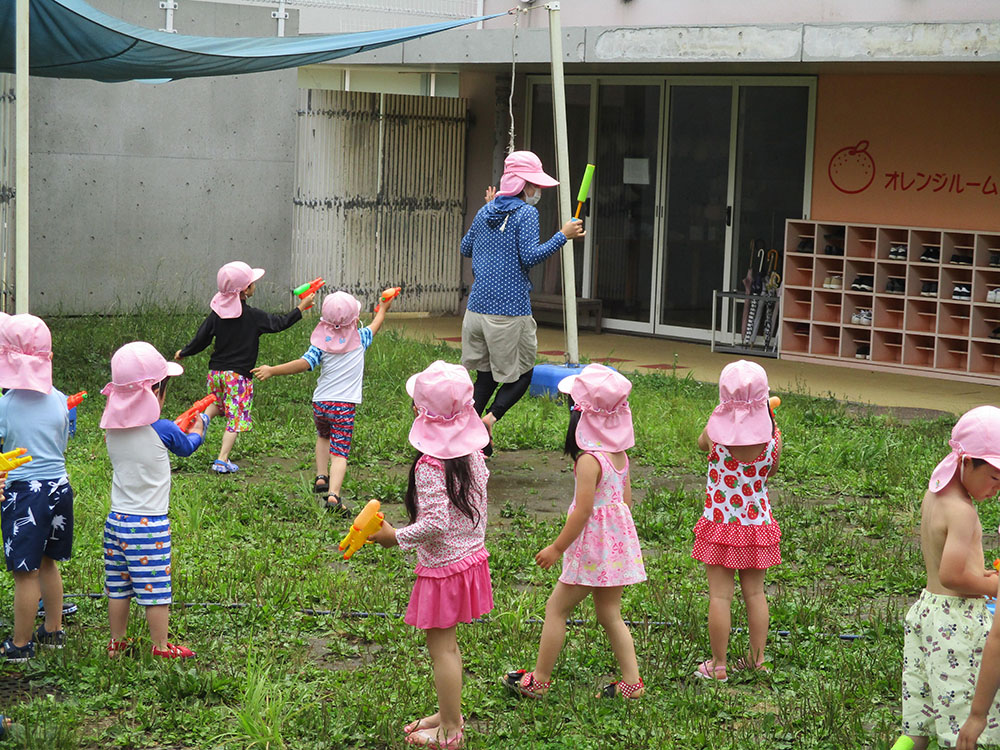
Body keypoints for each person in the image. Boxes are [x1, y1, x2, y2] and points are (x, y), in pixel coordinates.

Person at [502, 363, 646, 699]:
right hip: (615, 549)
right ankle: (632, 682)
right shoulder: (619, 455)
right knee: (610, 614)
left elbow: (583, 512)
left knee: (556, 609)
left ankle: (539, 680)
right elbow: (623, 502)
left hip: (591, 551)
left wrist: (556, 548)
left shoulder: (588, 461)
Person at [369, 360, 493, 748]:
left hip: (444, 568)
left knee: (442, 651)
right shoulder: (473, 451)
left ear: (421, 413)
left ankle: (451, 730)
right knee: (449, 646)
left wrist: (396, 536)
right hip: (470, 558)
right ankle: (448, 711)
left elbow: (435, 522)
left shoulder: (430, 464)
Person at [460, 150, 586, 455]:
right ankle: (488, 421)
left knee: (486, 377)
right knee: (524, 373)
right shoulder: (526, 214)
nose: (538, 191)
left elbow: (466, 248)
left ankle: (467, 440)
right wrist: (563, 235)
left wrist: (489, 213)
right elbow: (530, 257)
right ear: (521, 185)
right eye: (534, 184)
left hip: (475, 311)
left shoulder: (486, 210)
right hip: (508, 312)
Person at [101, 341, 216, 658]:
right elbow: (187, 445)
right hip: (148, 526)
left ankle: (117, 642)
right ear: (154, 393)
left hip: (116, 522)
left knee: (118, 587)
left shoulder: (111, 426)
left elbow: (145, 438)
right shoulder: (164, 428)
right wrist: (201, 424)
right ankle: (161, 647)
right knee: (155, 592)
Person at [895, 406, 1000, 750]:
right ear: (967, 462)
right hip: (955, 628)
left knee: (917, 725)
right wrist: (993, 585)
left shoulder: (936, 494)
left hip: (927, 613)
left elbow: (947, 566)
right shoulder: (963, 512)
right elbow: (953, 575)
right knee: (963, 731)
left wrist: (977, 575)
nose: (996, 490)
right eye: (995, 478)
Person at [252, 288, 396, 514]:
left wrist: (273, 370)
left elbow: (303, 363)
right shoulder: (361, 337)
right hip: (344, 405)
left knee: (322, 436)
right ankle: (334, 497)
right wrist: (383, 308)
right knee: (340, 452)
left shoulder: (320, 344)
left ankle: (321, 477)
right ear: (355, 319)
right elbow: (377, 322)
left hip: (320, 403)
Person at [175, 260, 315, 473]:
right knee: (235, 418)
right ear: (245, 290)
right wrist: (300, 308)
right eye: (252, 282)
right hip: (238, 377)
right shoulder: (253, 316)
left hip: (216, 374)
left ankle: (204, 417)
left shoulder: (216, 315)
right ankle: (222, 459)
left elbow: (201, 339)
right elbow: (279, 323)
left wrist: (184, 352)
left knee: (219, 403)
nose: (254, 285)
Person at [691, 360, 782, 682]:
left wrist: (721, 417)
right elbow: (771, 470)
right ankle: (757, 660)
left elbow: (702, 444)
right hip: (757, 527)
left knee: (720, 597)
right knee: (755, 595)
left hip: (720, 527)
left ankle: (718, 665)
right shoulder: (773, 438)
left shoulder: (715, 435)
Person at [0, 314, 73, 662]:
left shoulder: (6, 404)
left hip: (24, 493)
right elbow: (61, 444)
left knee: (24, 572)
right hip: (59, 486)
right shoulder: (60, 399)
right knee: (48, 562)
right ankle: (53, 630)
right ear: (49, 358)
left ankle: (20, 644)